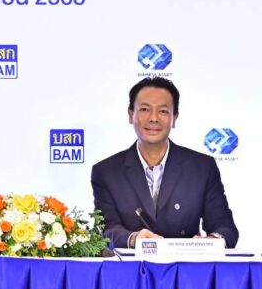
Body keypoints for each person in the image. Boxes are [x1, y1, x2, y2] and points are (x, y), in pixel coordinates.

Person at [91, 77, 239, 249]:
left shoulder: (202, 167)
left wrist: (214, 240)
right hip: (131, 265)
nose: (153, 118)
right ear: (131, 115)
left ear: (174, 118)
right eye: (144, 109)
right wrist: (133, 239)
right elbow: (106, 229)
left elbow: (225, 226)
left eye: (163, 111)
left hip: (185, 264)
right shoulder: (106, 171)